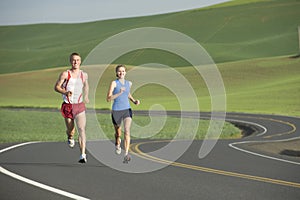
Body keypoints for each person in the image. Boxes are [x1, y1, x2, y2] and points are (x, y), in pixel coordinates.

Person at [54, 52, 89, 163]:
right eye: (74, 60)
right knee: (71, 129)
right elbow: (56, 87)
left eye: (78, 60)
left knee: (82, 129)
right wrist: (65, 92)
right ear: (70, 61)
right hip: (68, 105)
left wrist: (86, 96)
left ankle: (83, 155)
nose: (76, 62)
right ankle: (70, 136)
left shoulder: (84, 75)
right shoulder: (65, 74)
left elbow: (86, 85)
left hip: (79, 105)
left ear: (80, 61)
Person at [106, 64, 140, 163]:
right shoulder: (114, 83)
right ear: (116, 73)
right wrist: (119, 93)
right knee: (118, 133)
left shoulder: (129, 83)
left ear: (125, 72)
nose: (121, 73)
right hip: (116, 110)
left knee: (127, 130)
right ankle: (117, 142)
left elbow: (128, 93)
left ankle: (126, 154)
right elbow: (108, 98)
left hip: (127, 110)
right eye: (119, 71)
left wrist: (134, 101)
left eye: (123, 71)